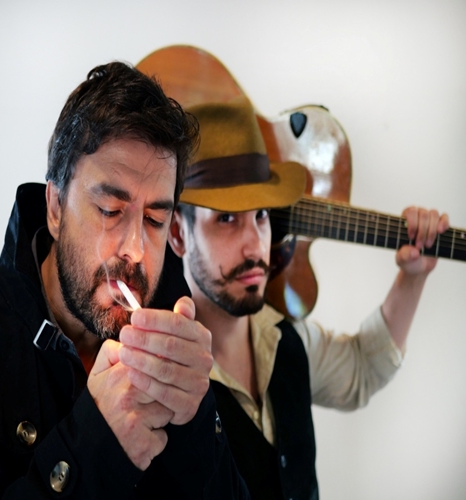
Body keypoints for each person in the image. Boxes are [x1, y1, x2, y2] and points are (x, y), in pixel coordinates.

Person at [0, 62, 250, 499]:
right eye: (110, 211)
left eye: (154, 220)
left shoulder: (177, 341)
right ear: (56, 208)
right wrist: (94, 446)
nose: (135, 249)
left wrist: (194, 417)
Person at [167, 97, 450, 500]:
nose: (254, 244)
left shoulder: (286, 338)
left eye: (261, 215)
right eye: (226, 219)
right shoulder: (159, 372)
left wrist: (413, 276)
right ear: (179, 234)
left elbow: (363, 369)